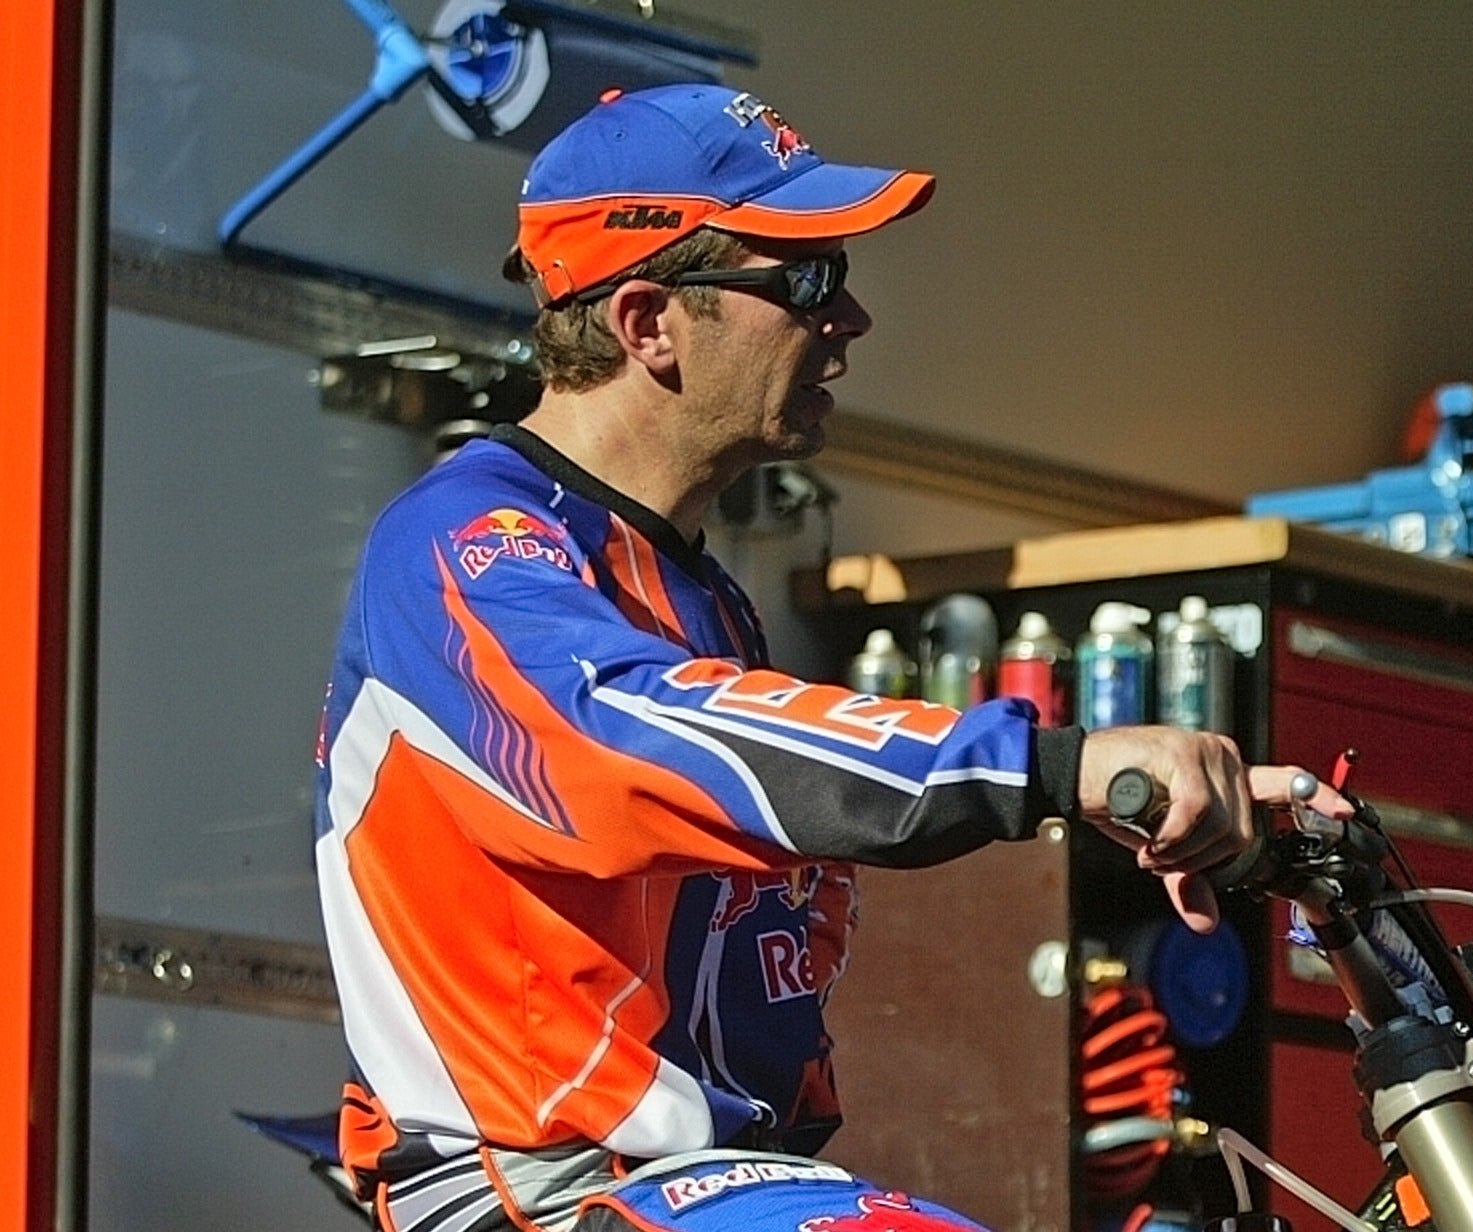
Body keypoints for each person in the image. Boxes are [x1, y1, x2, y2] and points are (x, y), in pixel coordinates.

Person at [311, 82, 1330, 1231]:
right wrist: (1057, 765)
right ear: (647, 322)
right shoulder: (463, 543)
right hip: (538, 1191)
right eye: (804, 280)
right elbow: (625, 734)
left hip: (704, 1179)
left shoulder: (704, 595)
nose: (849, 319)